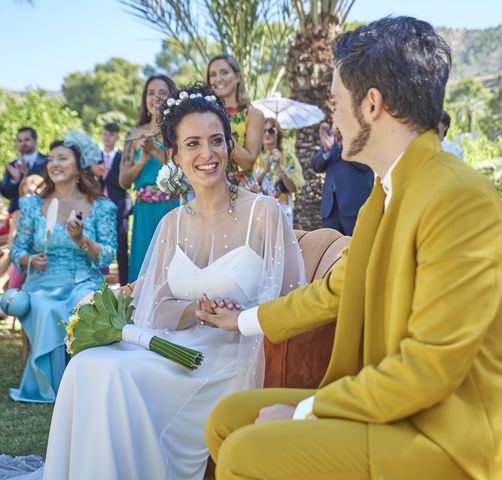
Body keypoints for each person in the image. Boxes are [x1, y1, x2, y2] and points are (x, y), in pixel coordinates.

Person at [203, 17, 502, 480]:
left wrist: (307, 412)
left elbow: (430, 368)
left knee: (244, 453)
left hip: (455, 436)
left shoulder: (458, 196)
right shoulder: (382, 196)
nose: (333, 118)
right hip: (396, 408)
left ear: (372, 104)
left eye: (336, 103)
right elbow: (335, 290)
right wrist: (241, 320)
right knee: (228, 418)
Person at [39, 84, 305, 480]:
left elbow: (290, 301)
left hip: (229, 359)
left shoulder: (264, 213)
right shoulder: (172, 223)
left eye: (216, 140)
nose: (207, 154)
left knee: (118, 375)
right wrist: (194, 312)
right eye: (192, 143)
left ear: (230, 146)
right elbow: (155, 309)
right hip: (177, 347)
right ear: (175, 156)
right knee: (87, 365)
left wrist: (241, 316)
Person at [8, 132, 117, 403]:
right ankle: (50, 387)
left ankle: (84, 384)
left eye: (63, 158)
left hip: (84, 280)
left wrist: (81, 240)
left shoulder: (101, 207)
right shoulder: (32, 205)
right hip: (42, 282)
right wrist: (31, 261)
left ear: (79, 167)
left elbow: (106, 256)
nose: (54, 163)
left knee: (83, 304)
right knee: (46, 307)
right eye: (51, 158)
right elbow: (17, 250)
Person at [119, 75, 179, 282]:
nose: (156, 98)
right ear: (145, 99)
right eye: (151, 93)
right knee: (143, 269)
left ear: (171, 96)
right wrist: (142, 161)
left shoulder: (178, 131)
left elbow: (183, 170)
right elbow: (123, 181)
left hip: (172, 206)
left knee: (171, 267)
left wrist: (156, 151)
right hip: (144, 210)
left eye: (163, 92)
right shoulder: (134, 135)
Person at [207, 54, 264, 193]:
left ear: (238, 77)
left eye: (224, 72)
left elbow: (247, 162)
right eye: (213, 75)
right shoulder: (204, 115)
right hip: (211, 190)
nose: (218, 79)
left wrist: (220, 133)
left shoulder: (253, 114)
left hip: (242, 191)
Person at [310, 122, 373, 235]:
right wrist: (327, 151)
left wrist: (342, 144)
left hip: (354, 205)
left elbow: (366, 165)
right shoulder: (330, 135)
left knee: (355, 248)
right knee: (331, 248)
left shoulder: (363, 131)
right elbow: (316, 166)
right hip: (331, 207)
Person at [91, 122, 132, 286]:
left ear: (116, 137)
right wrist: (95, 175)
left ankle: (125, 288)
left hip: (119, 208)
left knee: (121, 250)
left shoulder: (123, 157)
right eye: (105, 134)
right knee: (98, 248)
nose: (107, 138)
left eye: (111, 134)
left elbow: (124, 183)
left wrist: (105, 173)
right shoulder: (95, 157)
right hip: (98, 210)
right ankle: (99, 287)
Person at [255, 117, 305, 225]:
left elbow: (292, 188)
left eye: (271, 130)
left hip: (282, 214)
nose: (267, 134)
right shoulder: (255, 157)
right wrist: (265, 171)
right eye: (264, 130)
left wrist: (279, 166)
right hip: (260, 214)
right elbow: (249, 186)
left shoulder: (288, 158)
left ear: (278, 133)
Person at [1, 128, 48, 214]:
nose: (23, 143)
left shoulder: (47, 162)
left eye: (27, 140)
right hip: (16, 214)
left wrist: (27, 174)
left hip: (40, 212)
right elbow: (6, 194)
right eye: (20, 140)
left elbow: (47, 188)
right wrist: (15, 180)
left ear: (35, 140)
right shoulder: (12, 165)